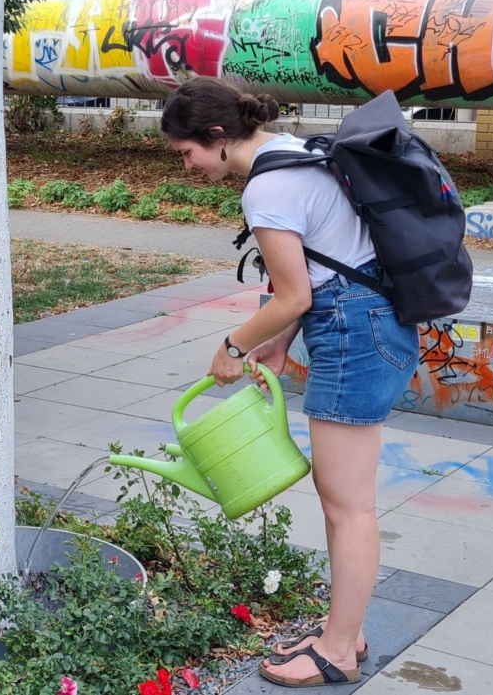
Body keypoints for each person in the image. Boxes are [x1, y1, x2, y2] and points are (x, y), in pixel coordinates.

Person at [160, 77, 419, 688]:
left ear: (217, 136)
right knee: (342, 501)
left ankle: (337, 652)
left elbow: (295, 294)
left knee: (347, 506)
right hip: (366, 319)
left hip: (354, 331)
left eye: (187, 153)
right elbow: (327, 261)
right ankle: (344, 630)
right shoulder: (295, 151)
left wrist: (232, 346)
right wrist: (279, 340)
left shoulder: (267, 187)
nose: (187, 166)